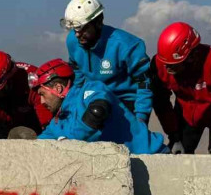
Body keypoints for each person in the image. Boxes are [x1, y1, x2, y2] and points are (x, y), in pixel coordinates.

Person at [33, 58, 167, 154]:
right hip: (124, 171)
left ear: (58, 88)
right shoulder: (56, 124)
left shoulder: (90, 89)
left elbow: (98, 110)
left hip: (153, 158)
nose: (42, 102)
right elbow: (38, 146)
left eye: (42, 94)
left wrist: (71, 143)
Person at [150, 22, 211, 154]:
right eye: (165, 64)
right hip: (186, 113)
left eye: (173, 64)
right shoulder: (160, 65)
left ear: (191, 56)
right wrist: (174, 135)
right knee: (178, 157)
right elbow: (161, 104)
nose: (168, 68)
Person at [61, 0, 152, 123]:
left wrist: (141, 118)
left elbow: (144, 85)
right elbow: (78, 76)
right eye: (74, 29)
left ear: (98, 22)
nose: (77, 34)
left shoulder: (127, 45)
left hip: (126, 103)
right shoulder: (73, 41)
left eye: (82, 28)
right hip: (96, 99)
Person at [0, 51, 52, 138]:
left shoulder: (33, 83)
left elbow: (50, 127)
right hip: (2, 126)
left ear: (9, 79)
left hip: (34, 123)